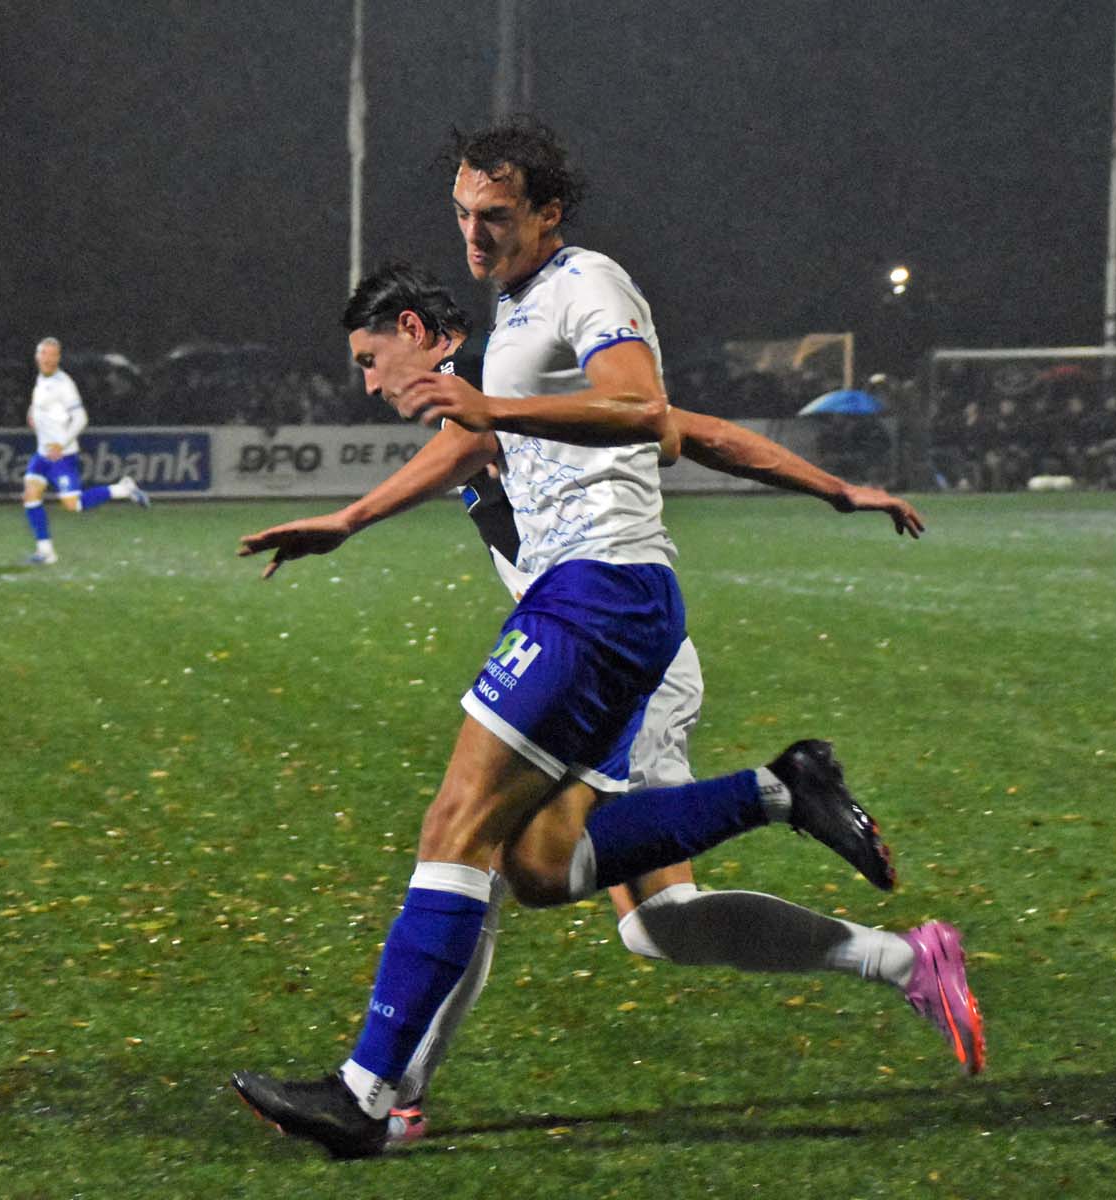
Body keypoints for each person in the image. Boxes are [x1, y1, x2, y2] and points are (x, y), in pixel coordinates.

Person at [228, 118, 913, 1159]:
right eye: (462, 214)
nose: (473, 232)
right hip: (587, 611)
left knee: (488, 843)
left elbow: (651, 414)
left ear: (546, 213)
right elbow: (494, 445)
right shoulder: (511, 329)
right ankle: (784, 794)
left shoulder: (576, 294)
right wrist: (350, 520)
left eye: (494, 215)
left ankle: (377, 1097)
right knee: (544, 872)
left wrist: (828, 486)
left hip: (605, 610)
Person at [20, 337, 150, 564]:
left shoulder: (64, 384)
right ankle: (46, 552)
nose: (47, 358)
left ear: (58, 358)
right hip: (43, 454)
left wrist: (61, 444)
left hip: (62, 455)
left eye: (52, 354)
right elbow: (45, 407)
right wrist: (33, 413)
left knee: (74, 504)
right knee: (31, 495)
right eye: (43, 354)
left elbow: (81, 418)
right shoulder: (41, 379)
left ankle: (123, 489)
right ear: (37, 356)